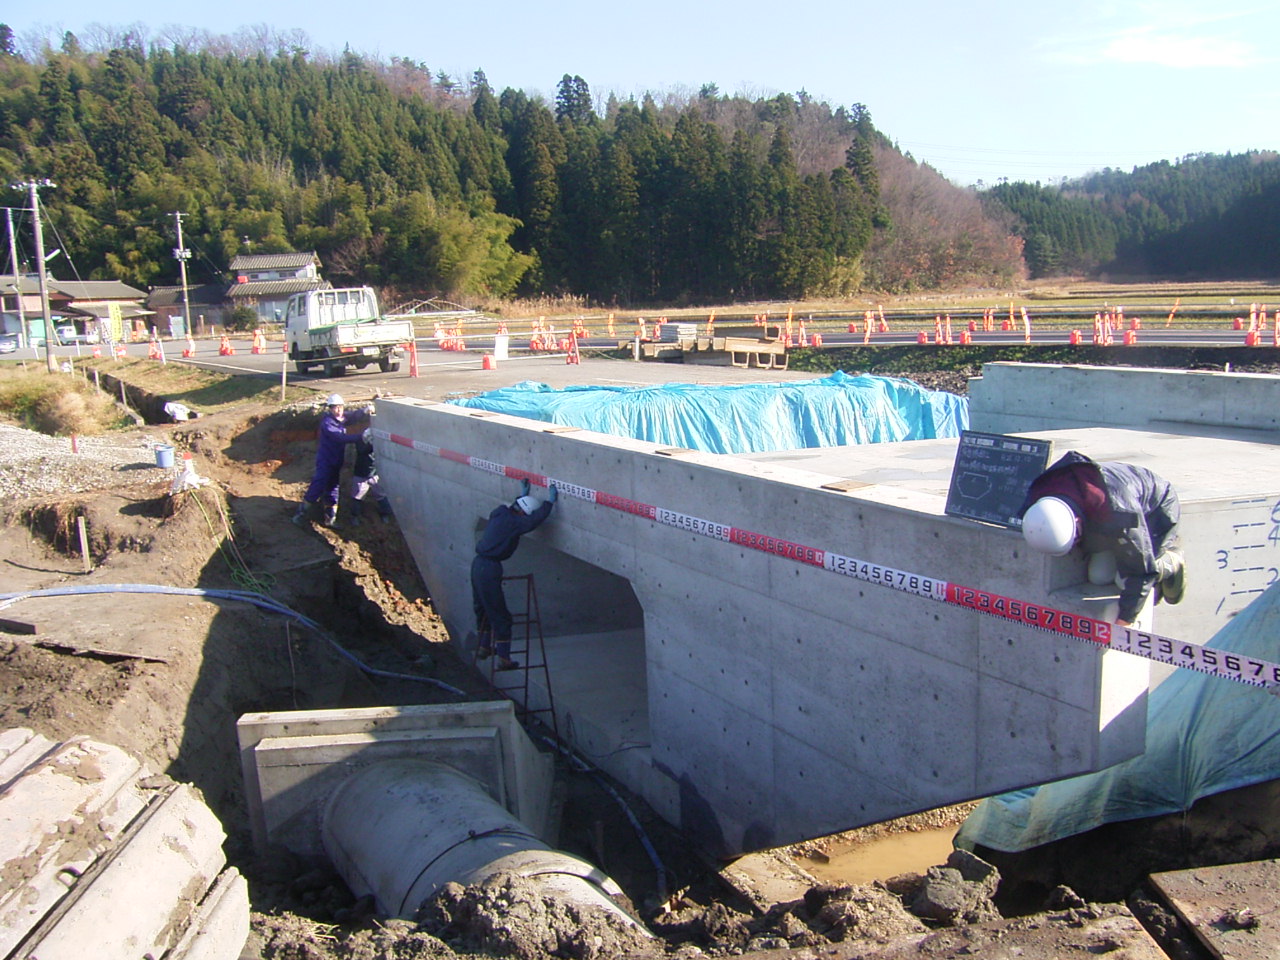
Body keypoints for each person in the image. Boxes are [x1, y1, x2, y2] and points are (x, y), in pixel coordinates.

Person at [1020, 451, 1185, 626]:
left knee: (1124, 582)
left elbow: (1142, 570)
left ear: (1076, 521)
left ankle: (1171, 561)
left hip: (1156, 512)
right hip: (1104, 519)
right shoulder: (1039, 495)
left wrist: (1125, 620)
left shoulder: (1121, 513)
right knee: (1099, 576)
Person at [471, 479, 557, 670]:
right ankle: (504, 658)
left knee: (482, 608)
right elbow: (533, 520)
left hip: (477, 565)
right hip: (490, 568)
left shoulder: (499, 513)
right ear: (523, 512)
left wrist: (521, 496)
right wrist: (549, 502)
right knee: (500, 614)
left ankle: (484, 646)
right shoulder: (516, 523)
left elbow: (514, 510)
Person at [292, 394, 368, 527]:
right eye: (335, 408)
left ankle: (330, 519)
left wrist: (364, 411)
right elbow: (340, 438)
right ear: (330, 409)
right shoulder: (328, 423)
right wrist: (361, 437)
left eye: (340, 407)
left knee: (333, 488)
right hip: (326, 461)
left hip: (336, 461)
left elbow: (352, 416)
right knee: (318, 486)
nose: (339, 410)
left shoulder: (341, 417)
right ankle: (300, 514)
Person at [349, 429, 392, 525]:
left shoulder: (379, 443)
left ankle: (385, 513)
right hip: (361, 474)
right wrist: (371, 444)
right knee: (357, 496)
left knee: (381, 495)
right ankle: (354, 516)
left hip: (375, 473)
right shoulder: (361, 441)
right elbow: (362, 450)